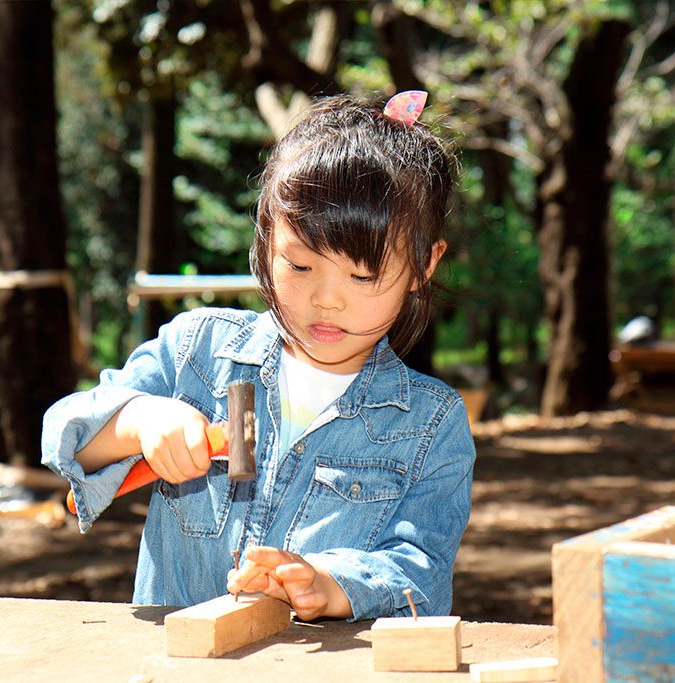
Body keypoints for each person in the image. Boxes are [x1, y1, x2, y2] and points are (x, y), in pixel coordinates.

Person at [42, 92, 475, 622]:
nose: (327, 299)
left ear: (424, 266)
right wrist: (140, 419)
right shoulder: (198, 354)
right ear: (268, 240)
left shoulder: (431, 424)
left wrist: (329, 584)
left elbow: (421, 571)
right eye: (299, 266)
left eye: (363, 275)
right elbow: (69, 436)